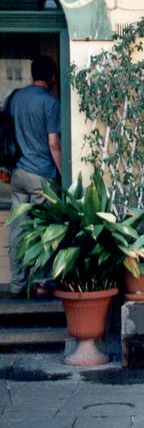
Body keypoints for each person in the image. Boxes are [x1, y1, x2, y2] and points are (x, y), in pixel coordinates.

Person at [5, 55, 61, 298]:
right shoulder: (50, 103)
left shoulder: (14, 98)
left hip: (18, 174)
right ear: (51, 77)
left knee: (18, 229)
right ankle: (40, 283)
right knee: (43, 231)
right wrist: (63, 173)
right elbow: (53, 143)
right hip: (41, 176)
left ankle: (17, 284)